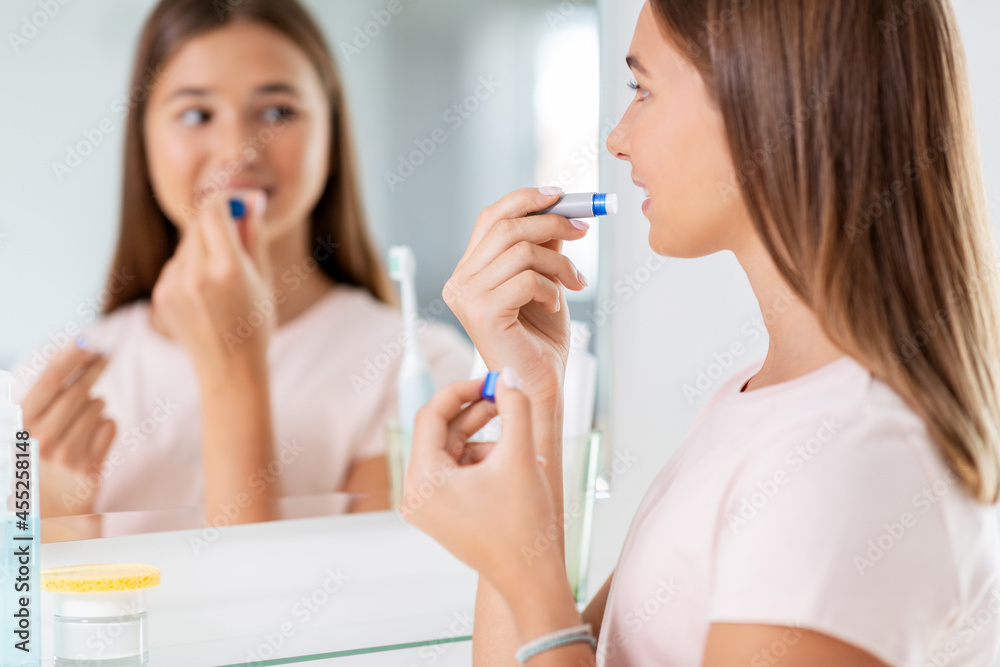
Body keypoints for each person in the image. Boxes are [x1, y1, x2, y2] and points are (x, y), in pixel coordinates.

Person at [401, 1, 1000, 665]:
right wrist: (533, 396)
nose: (617, 138)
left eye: (642, 89)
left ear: (768, 101)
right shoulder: (760, 403)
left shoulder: (853, 454)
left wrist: (524, 570)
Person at [12, 0, 471, 527]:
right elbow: (24, 607)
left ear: (332, 133)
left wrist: (235, 374)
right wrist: (51, 511)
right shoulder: (54, 389)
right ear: (143, 141)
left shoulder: (419, 372)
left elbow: (340, 604)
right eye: (195, 114)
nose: (236, 151)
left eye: (277, 112)